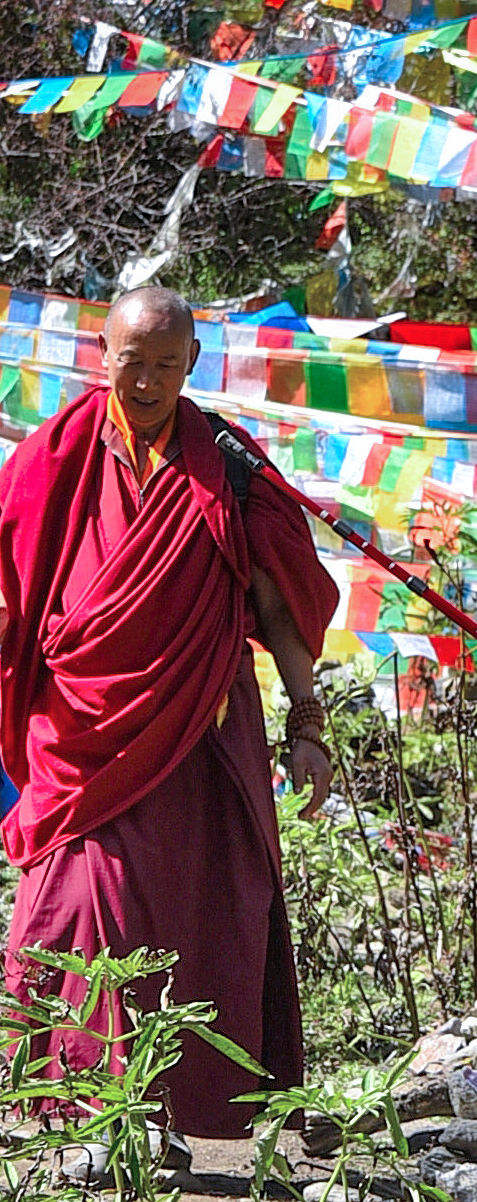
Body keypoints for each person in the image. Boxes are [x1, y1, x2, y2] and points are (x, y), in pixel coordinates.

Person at [0, 286, 338, 1149]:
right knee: (83, 900)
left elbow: (277, 597)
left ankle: (169, 1111)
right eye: (131, 361)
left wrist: (308, 723)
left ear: (192, 363)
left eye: (164, 364)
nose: (146, 381)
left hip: (198, 721)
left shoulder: (226, 460)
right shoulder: (56, 455)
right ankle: (73, 1108)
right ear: (101, 355)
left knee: (198, 904)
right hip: (78, 727)